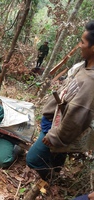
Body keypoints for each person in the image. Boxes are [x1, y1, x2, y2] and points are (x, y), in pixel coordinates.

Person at [26, 20, 94, 182]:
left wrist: (55, 136)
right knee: (55, 156)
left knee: (33, 159)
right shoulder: (83, 67)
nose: (79, 45)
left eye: (82, 42)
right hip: (54, 121)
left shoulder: (91, 80)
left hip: (57, 127)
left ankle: (50, 180)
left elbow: (77, 116)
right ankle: (54, 172)